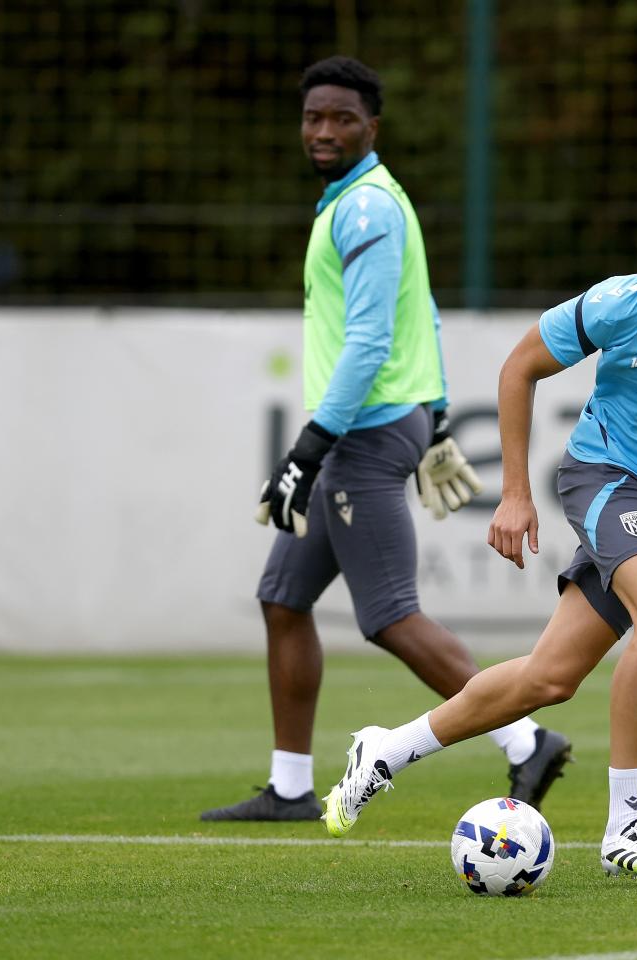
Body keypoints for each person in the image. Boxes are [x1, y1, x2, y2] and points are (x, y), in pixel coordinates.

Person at [320, 177, 637, 877]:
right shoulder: (622, 300)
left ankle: (385, 751)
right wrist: (514, 494)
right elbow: (520, 367)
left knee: (547, 680)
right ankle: (625, 827)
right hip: (603, 476)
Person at [200, 56, 571, 822]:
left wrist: (309, 448)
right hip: (380, 426)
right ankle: (292, 788)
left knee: (389, 615)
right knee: (282, 598)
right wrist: (434, 417)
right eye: (314, 117)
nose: (325, 130)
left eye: (342, 117)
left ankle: (525, 740)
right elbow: (423, 314)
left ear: (373, 126)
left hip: (360, 437)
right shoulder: (370, 199)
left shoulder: (364, 208)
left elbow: (369, 343)